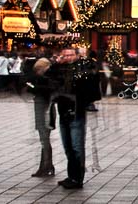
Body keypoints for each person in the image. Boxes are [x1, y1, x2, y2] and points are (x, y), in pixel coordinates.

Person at [50, 47, 101, 189]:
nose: (67, 57)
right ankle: (71, 176)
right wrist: (56, 63)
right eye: (64, 55)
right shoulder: (59, 69)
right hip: (63, 112)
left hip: (76, 112)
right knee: (68, 147)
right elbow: (48, 77)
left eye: (70, 55)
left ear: (76, 56)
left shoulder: (83, 68)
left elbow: (91, 78)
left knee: (77, 147)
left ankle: (77, 179)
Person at [30, 53, 56, 177]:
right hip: (44, 110)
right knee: (44, 139)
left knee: (44, 139)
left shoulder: (46, 81)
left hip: (45, 111)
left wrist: (34, 87)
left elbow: (43, 92)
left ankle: (46, 166)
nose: (37, 72)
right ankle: (47, 165)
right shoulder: (46, 80)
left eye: (39, 70)